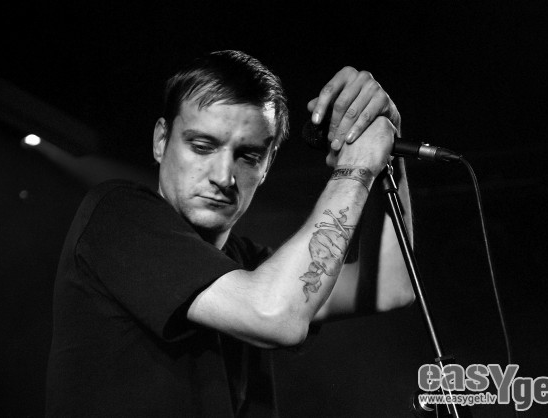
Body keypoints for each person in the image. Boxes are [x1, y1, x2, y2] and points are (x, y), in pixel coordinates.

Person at [46, 50, 414, 417]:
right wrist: (354, 170)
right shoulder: (118, 215)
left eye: (248, 156)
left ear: (267, 165)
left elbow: (392, 285)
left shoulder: (249, 266)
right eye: (202, 146)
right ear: (161, 140)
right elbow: (274, 315)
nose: (223, 177)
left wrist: (387, 151)